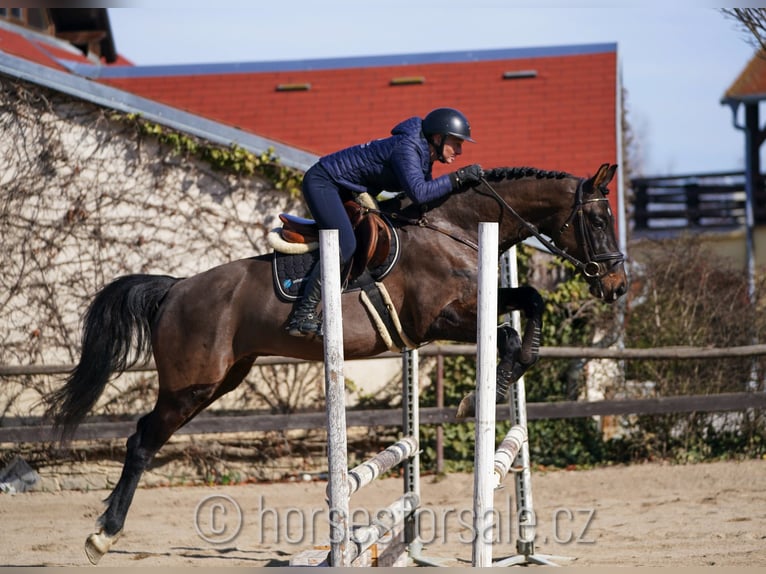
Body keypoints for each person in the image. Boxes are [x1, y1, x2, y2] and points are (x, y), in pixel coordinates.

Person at [286, 107, 483, 338]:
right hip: (324, 183)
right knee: (346, 244)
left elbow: (424, 202)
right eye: (456, 143)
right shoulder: (408, 148)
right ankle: (303, 313)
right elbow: (420, 193)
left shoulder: (424, 152)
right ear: (438, 138)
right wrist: (456, 178)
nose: (459, 150)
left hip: (347, 190)